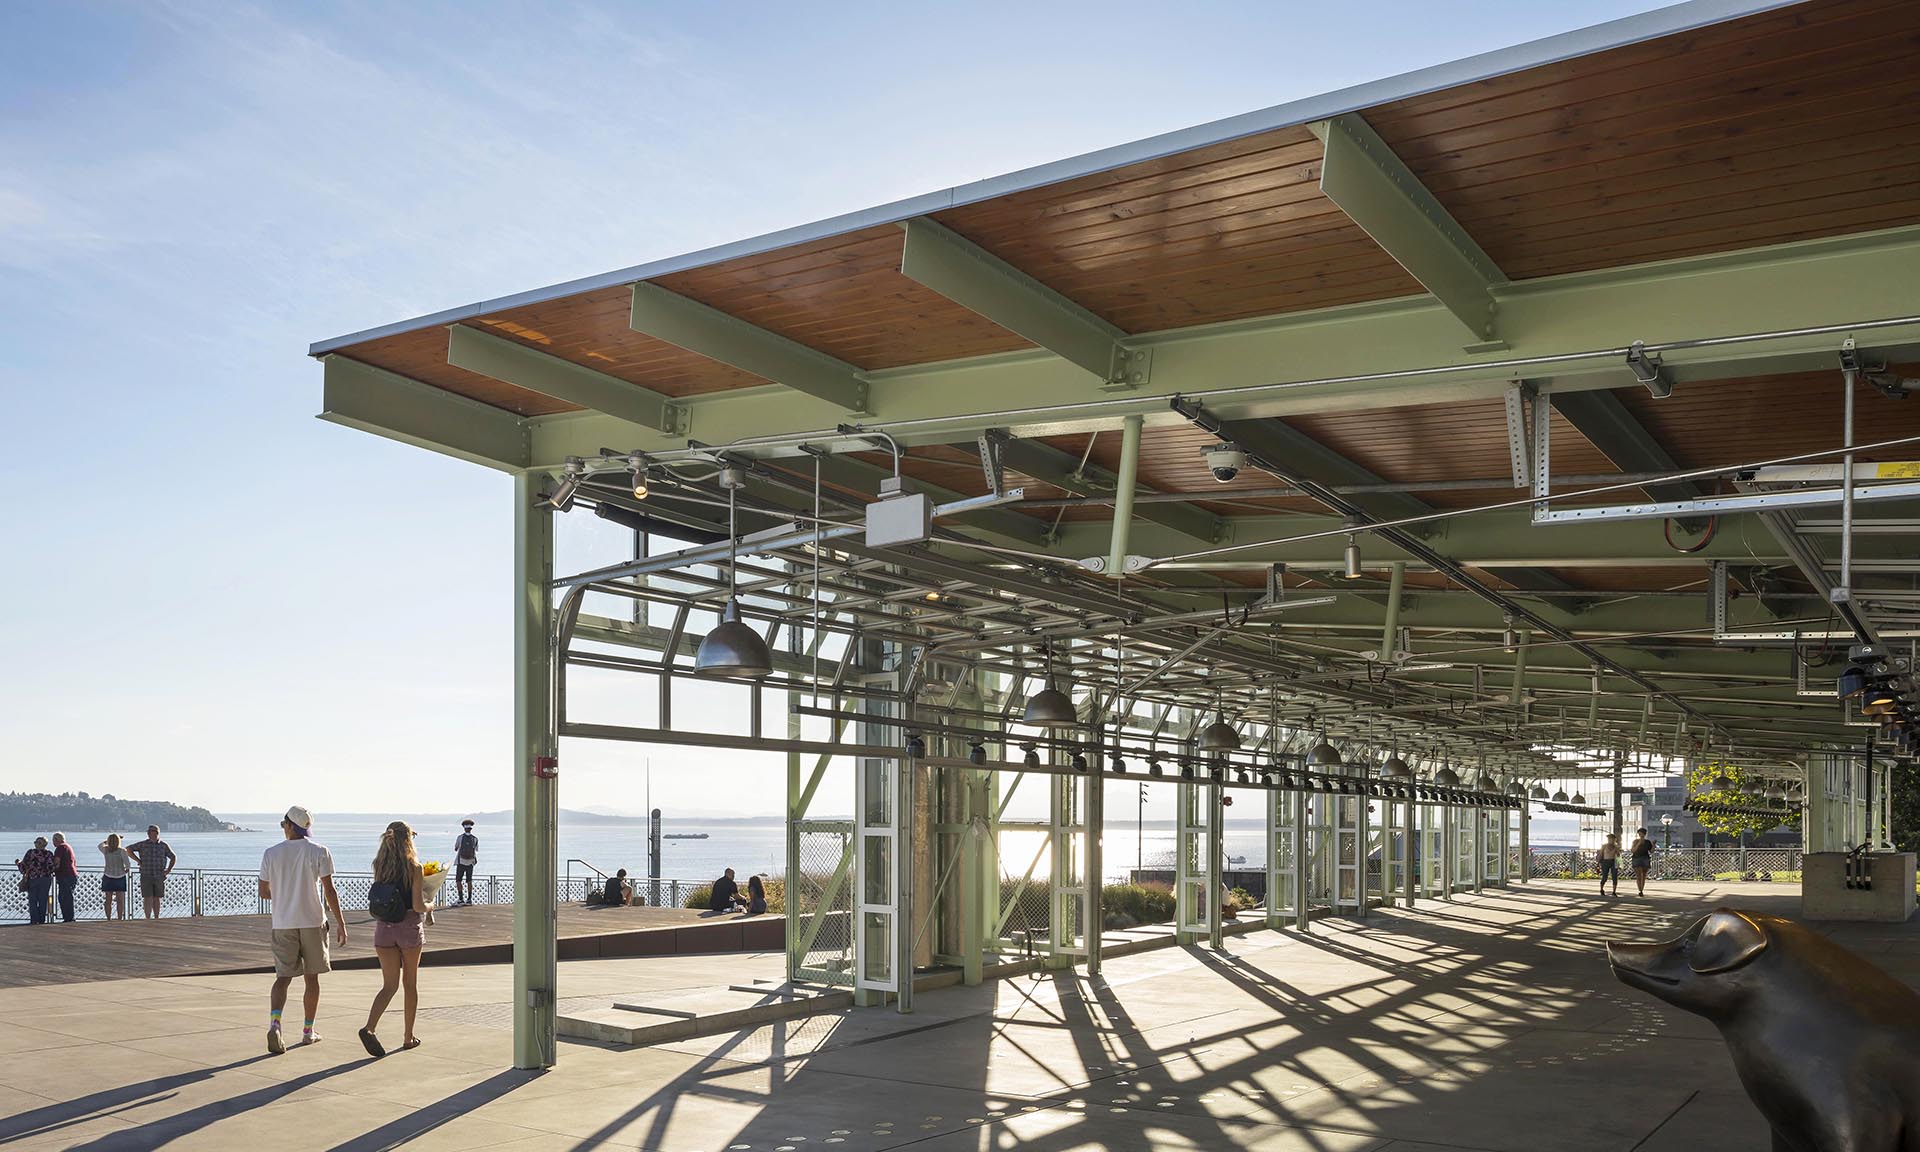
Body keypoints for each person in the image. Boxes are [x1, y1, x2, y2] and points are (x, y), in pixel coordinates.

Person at [258, 805, 346, 1055]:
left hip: (283, 922)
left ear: (288, 826)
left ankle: (275, 1024)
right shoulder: (319, 851)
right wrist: (340, 922)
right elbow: (329, 891)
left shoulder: (271, 853)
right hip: (312, 921)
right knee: (312, 978)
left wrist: (284, 892)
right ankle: (308, 1031)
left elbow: (264, 892)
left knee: (282, 978)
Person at [361, 821, 430, 1057]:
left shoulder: (379, 865)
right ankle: (408, 1036)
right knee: (409, 984)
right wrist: (431, 905)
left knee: (388, 985)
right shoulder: (415, 868)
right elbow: (418, 904)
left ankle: (370, 1028)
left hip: (383, 929)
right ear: (408, 840)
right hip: (408, 928)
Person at [128, 826, 176, 919]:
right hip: (146, 874)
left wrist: (168, 870)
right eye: (152, 832)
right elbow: (128, 849)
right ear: (149, 833)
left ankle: (156, 917)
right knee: (147, 897)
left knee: (157, 897)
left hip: (159, 875)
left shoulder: (163, 845)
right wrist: (138, 860)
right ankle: (148, 918)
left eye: (156, 832)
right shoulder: (142, 844)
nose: (154, 834)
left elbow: (173, 857)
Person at [15, 838, 56, 925]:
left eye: (36, 842)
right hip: (45, 879)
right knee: (43, 900)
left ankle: (34, 920)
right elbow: (52, 867)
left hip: (33, 879)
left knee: (33, 900)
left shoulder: (31, 852)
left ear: (39, 844)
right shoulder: (49, 854)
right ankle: (41, 920)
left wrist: (18, 863)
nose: (35, 844)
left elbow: (24, 866)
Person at [98, 834, 133, 920]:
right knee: (120, 900)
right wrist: (126, 869)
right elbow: (128, 864)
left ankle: (108, 918)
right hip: (120, 876)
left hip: (108, 876)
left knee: (108, 899)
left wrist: (107, 841)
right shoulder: (122, 851)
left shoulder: (106, 850)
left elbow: (99, 845)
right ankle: (119, 918)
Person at [49, 833, 79, 923]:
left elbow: (57, 862)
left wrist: (51, 869)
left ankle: (68, 918)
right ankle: (69, 917)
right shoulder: (67, 846)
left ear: (57, 840)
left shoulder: (60, 848)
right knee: (67, 897)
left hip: (65, 875)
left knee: (64, 897)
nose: (53, 842)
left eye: (53, 840)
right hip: (71, 874)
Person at [452, 819, 479, 906]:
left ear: (464, 828)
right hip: (470, 862)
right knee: (469, 880)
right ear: (471, 829)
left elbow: (456, 848)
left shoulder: (460, 837)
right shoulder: (475, 839)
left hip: (461, 862)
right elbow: (476, 849)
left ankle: (461, 898)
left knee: (458, 880)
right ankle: (469, 899)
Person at [1629, 827, 1656, 897]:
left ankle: (1641, 889)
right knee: (1639, 874)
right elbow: (1633, 850)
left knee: (1644, 875)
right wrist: (1639, 843)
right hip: (1636, 858)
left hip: (1645, 858)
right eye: (1640, 834)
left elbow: (1651, 851)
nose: (1641, 836)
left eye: (1642, 834)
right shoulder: (1635, 841)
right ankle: (1639, 889)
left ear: (1645, 834)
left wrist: (1653, 845)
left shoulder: (1647, 842)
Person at [1597, 833, 1622, 897]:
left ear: (1614, 840)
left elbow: (1618, 855)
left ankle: (1614, 891)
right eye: (1609, 839)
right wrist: (1599, 862)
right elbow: (1601, 854)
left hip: (1613, 861)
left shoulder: (1616, 847)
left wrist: (1620, 864)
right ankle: (1601, 889)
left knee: (1614, 876)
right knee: (1604, 876)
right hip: (1605, 861)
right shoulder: (1604, 846)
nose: (1610, 840)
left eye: (1612, 839)